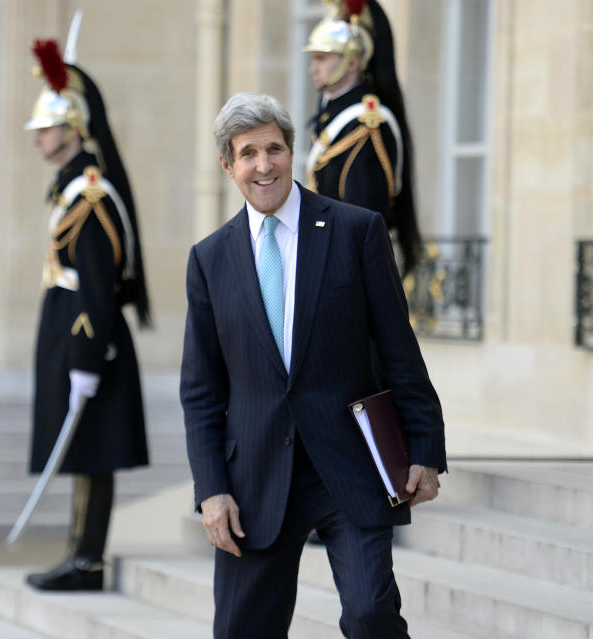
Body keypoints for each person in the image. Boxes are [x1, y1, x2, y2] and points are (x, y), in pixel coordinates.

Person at [180, 92, 446, 638]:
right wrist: (211, 488)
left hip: (349, 462)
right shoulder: (210, 259)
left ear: (291, 152)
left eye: (274, 149)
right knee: (241, 630)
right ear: (228, 166)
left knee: (372, 615)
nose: (264, 165)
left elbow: (399, 348)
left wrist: (425, 447)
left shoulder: (355, 230)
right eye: (248, 153)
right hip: (253, 476)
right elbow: (202, 390)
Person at [23, 38, 151, 591]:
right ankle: (79, 553)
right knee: (82, 449)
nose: (39, 136)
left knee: (91, 449)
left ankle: (87, 559)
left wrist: (85, 354)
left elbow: (97, 285)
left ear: (74, 127)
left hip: (86, 331)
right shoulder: (72, 186)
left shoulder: (90, 193)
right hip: (70, 327)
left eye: (48, 128)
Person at [304, 0, 422, 274]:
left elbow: (364, 215)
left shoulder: (367, 123)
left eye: (322, 58)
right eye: (313, 58)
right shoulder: (332, 113)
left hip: (348, 269)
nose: (313, 68)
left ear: (353, 60)